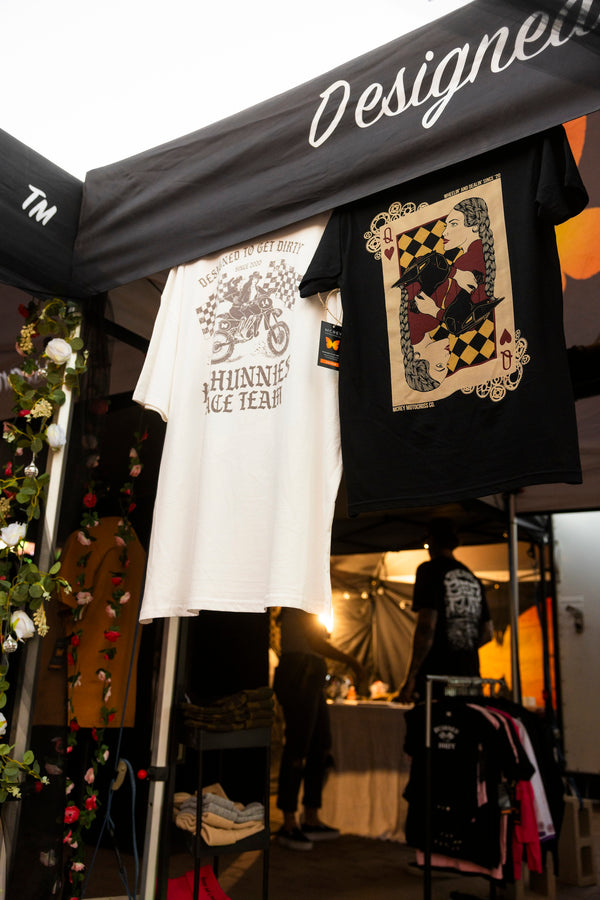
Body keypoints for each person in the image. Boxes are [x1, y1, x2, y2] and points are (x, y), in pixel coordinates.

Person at [273, 606, 367, 851]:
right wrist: (353, 661)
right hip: (298, 673)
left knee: (320, 745)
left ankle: (311, 816)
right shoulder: (300, 599)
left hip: (311, 674)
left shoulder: (312, 601)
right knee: (297, 746)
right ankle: (289, 822)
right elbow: (316, 641)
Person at [397, 517, 493, 704]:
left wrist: (411, 676)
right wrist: (463, 647)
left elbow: (426, 627)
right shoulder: (472, 578)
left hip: (437, 680)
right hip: (470, 678)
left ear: (431, 540)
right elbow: (487, 632)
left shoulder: (429, 570)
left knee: (433, 730)